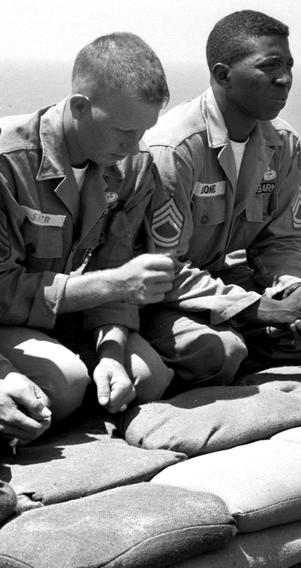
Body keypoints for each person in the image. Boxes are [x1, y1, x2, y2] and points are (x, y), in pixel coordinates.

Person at [144, 10, 301, 384]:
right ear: (223, 75)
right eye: (269, 66)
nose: (284, 79)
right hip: (167, 297)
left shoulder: (282, 142)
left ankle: (238, 346)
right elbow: (161, 270)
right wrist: (260, 309)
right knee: (217, 352)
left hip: (229, 284)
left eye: (288, 65)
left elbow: (284, 239)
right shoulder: (175, 148)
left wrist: (295, 291)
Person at [0, 32, 177, 430]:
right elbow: (3, 288)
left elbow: (115, 265)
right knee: (65, 385)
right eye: (124, 131)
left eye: (144, 131)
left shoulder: (132, 168)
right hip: (7, 316)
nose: (135, 146)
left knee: (148, 378)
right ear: (79, 106)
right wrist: (113, 285)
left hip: (65, 314)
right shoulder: (8, 165)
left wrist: (111, 349)